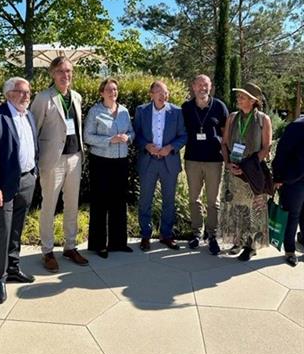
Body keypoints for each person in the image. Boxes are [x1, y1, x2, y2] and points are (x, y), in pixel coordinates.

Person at [0, 77, 38, 304]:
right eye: (22, 92)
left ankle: (13, 268)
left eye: (29, 91)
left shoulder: (29, 115)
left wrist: (34, 172)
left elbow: (33, 145)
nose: (27, 95)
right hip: (4, 186)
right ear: (9, 94)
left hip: (28, 179)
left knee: (17, 228)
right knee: (3, 229)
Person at [30, 56, 88, 272]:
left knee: (72, 204)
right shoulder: (43, 98)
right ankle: (47, 251)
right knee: (49, 206)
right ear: (52, 74)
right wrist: (34, 160)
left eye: (69, 71)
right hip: (52, 160)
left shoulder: (77, 97)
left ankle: (70, 247)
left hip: (74, 157)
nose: (66, 75)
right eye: (61, 71)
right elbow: (33, 130)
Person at [220, 82, 272, 261]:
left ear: (252, 100)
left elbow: (266, 147)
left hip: (252, 172)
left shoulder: (263, 119)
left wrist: (249, 165)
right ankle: (238, 241)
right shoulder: (232, 117)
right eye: (238, 96)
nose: (238, 99)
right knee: (236, 207)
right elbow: (224, 143)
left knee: (253, 209)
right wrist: (228, 163)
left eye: (242, 97)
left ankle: (251, 246)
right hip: (234, 171)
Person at [84, 78, 135, 258]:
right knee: (100, 203)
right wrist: (109, 140)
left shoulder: (124, 111)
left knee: (119, 202)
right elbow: (87, 137)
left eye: (115, 89)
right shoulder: (95, 111)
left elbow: (132, 132)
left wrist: (128, 138)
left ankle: (118, 242)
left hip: (121, 162)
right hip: (101, 162)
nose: (113, 92)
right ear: (101, 93)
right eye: (109, 90)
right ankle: (99, 245)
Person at [134, 80, 187, 251]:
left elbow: (183, 136)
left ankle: (166, 235)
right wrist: (146, 146)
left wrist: (170, 148)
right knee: (145, 200)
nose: (163, 95)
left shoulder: (177, 112)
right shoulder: (141, 111)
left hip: (168, 162)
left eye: (165, 92)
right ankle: (145, 235)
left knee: (169, 201)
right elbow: (136, 135)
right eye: (159, 92)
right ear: (151, 94)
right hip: (148, 162)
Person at [182, 74, 229, 255]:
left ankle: (212, 235)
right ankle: (196, 233)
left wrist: (227, 156)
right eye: (199, 85)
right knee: (194, 199)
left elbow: (225, 133)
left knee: (212, 201)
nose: (203, 88)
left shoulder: (219, 106)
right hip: (192, 159)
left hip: (214, 161)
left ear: (210, 87)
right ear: (193, 87)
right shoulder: (186, 108)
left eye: (206, 85)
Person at [272, 116, 304, 267]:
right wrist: (278, 176)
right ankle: (290, 250)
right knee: (293, 214)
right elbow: (281, 152)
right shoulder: (296, 126)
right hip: (294, 179)